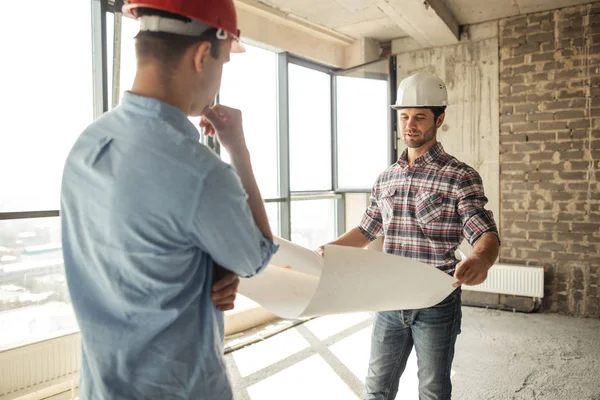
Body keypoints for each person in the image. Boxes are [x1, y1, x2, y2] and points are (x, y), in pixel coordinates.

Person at [60, 0, 278, 398]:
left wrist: (204, 267)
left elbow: (132, 249)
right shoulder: (200, 172)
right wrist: (239, 151)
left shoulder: (87, 144)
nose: (218, 81)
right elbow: (256, 256)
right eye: (223, 63)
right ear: (201, 55)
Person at [317, 72, 500, 400]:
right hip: (388, 299)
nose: (409, 124)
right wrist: (328, 250)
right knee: (377, 388)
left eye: (419, 117)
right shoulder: (386, 178)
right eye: (404, 116)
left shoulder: (460, 176)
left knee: (433, 389)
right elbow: (366, 229)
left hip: (436, 300)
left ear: (439, 119)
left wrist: (481, 259)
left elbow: (483, 229)